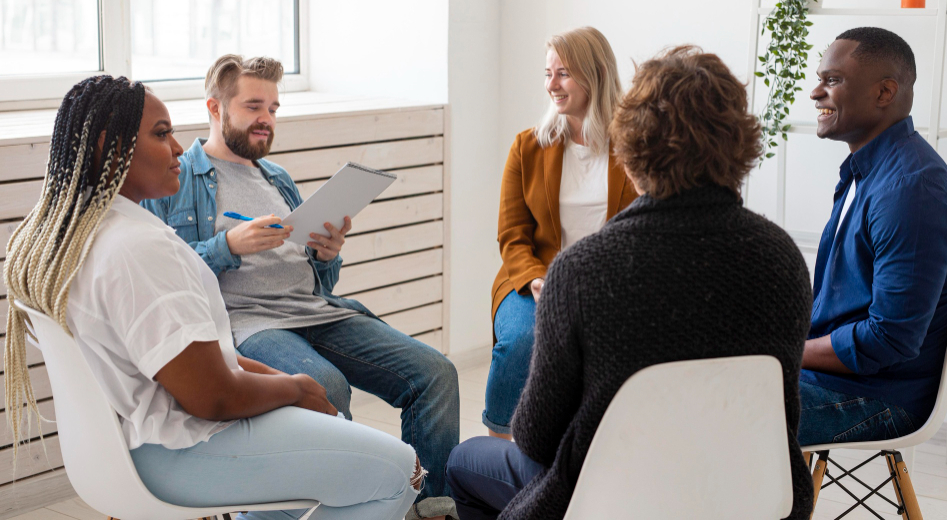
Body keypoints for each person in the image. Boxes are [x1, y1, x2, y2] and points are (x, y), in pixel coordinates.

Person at [2, 75, 422, 519]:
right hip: (177, 450)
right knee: (402, 470)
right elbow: (212, 398)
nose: (179, 148)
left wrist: (288, 386)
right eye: (162, 134)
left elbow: (208, 361)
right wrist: (295, 386)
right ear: (110, 145)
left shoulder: (60, 235)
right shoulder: (136, 247)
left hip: (119, 449)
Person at [447, 46, 815, 520]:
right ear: (740, 141)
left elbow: (537, 438)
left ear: (629, 145)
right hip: (752, 497)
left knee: (463, 460)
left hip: (610, 500)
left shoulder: (583, 271)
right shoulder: (782, 258)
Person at [140, 55, 459, 520]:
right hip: (249, 323)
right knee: (326, 386)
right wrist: (228, 245)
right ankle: (333, 504)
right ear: (215, 108)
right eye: (253, 106)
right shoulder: (178, 176)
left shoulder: (277, 177)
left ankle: (429, 510)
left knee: (436, 374)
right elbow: (168, 275)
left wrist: (326, 254)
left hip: (316, 312)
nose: (266, 119)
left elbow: (317, 280)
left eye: (272, 108)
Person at [798, 27, 947, 446]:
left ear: (884, 93)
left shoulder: (911, 190)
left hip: (875, 397)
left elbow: (889, 340)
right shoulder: (868, 172)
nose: (815, 92)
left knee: (703, 414)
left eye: (833, 80)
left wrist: (783, 349)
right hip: (835, 380)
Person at [486, 26, 638, 439]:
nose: (551, 84)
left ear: (596, 75)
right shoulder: (528, 147)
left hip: (609, 286)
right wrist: (537, 279)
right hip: (533, 281)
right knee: (521, 343)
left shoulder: (634, 149)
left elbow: (646, 228)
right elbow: (512, 235)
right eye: (547, 73)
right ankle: (499, 443)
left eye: (564, 73)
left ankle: (601, 449)